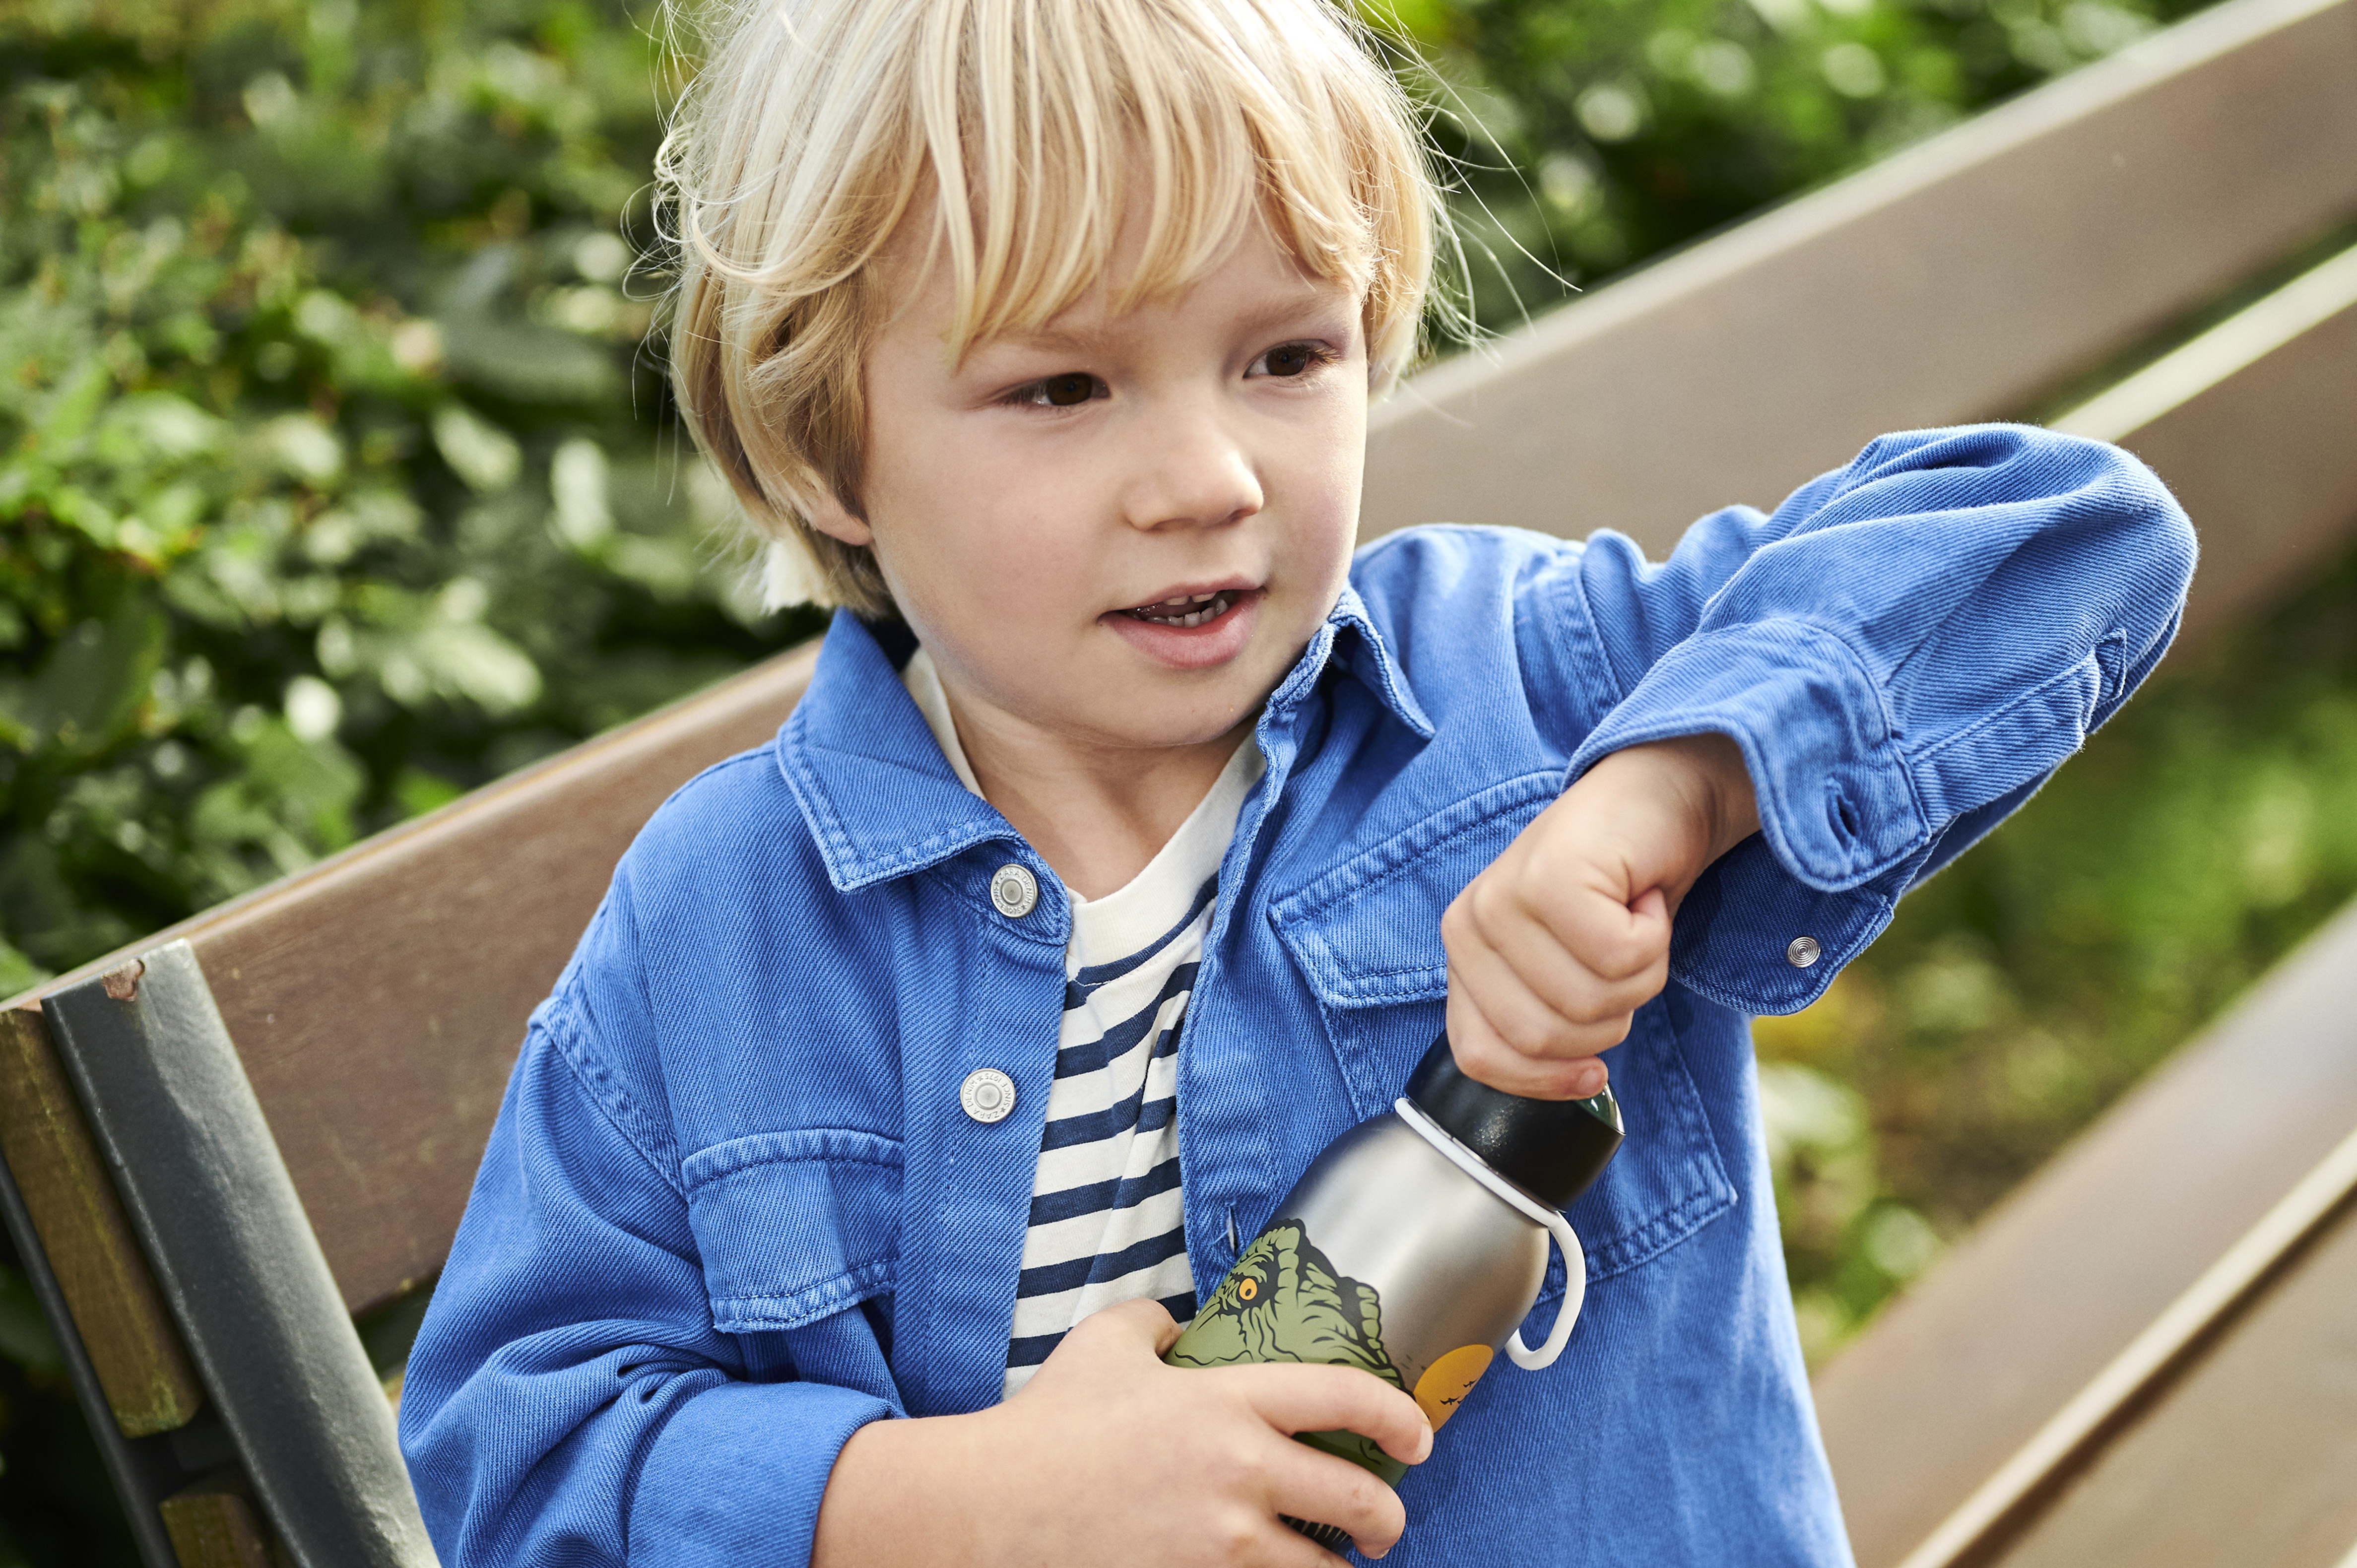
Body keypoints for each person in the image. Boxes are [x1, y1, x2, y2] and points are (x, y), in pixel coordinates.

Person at [395, 0, 2196, 1563]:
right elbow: (518, 1459)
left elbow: (2068, 535)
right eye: (1061, 389)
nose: (1206, 478)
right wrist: (969, 1510)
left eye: (1283, 358)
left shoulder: (1530, 687)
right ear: (827, 445)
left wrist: (1666, 795)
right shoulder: (722, 934)